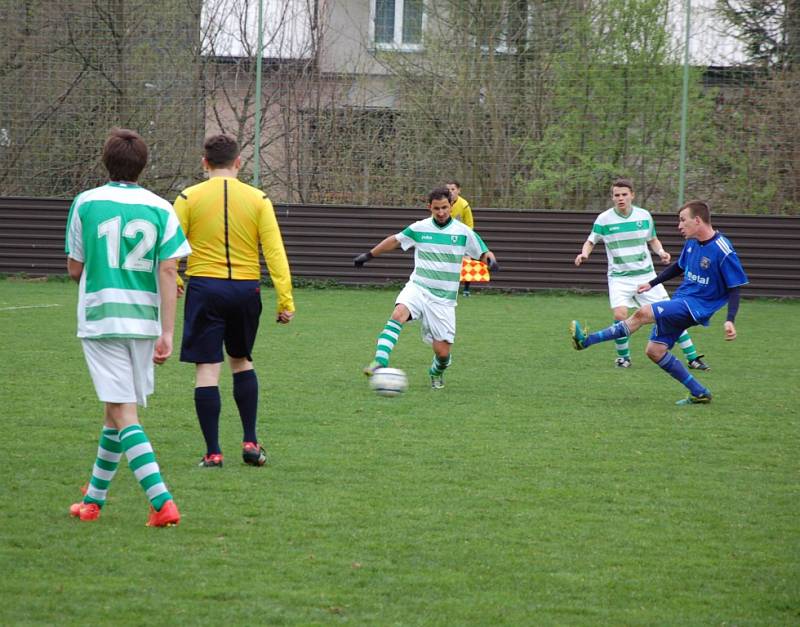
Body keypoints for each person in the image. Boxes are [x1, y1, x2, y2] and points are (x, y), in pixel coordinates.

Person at [65, 127, 191, 525]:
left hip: (102, 318)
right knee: (114, 411)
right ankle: (93, 503)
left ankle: (161, 502)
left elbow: (75, 268)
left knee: (122, 410)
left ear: (105, 161)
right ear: (143, 165)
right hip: (144, 321)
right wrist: (168, 332)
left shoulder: (86, 202)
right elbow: (169, 269)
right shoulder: (161, 208)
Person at [174, 134, 295, 468]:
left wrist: (176, 278)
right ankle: (251, 443)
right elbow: (274, 251)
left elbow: (170, 248)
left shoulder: (187, 197)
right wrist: (285, 299)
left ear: (205, 163)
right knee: (241, 360)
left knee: (207, 369)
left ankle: (213, 452)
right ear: (238, 162)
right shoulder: (259, 199)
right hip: (245, 290)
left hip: (204, 288)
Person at [570, 200, 748, 405]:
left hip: (697, 306)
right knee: (654, 351)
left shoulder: (722, 249)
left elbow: (735, 286)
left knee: (642, 313)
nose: (679, 226)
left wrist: (730, 320)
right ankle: (699, 392)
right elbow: (678, 267)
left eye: (683, 220)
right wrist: (652, 283)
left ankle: (586, 341)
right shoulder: (692, 242)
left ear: (697, 220)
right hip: (683, 298)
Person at [354, 187, 497, 389]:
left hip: (444, 300)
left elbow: (484, 253)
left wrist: (491, 262)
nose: (441, 212)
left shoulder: (463, 232)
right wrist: (368, 255)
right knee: (398, 314)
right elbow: (394, 241)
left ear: (451, 206)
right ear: (429, 207)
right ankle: (380, 361)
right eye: (436, 208)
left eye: (445, 208)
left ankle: (436, 371)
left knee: (442, 353)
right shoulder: (419, 228)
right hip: (419, 287)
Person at [575, 178, 708, 370]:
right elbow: (590, 241)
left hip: (646, 276)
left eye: (624, 194)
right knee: (621, 315)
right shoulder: (604, 219)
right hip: (619, 277)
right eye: (616, 195)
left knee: (671, 315)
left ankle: (693, 357)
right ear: (612, 197)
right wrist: (584, 254)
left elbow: (653, 239)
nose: (620, 198)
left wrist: (661, 252)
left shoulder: (644, 216)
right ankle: (624, 358)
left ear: (632, 195)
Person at [446, 180, 476, 296]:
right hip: (447, 239)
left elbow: (470, 225)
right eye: (448, 189)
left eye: (453, 189)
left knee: (467, 262)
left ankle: (466, 289)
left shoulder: (464, 205)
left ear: (459, 190)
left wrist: (466, 239)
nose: (450, 192)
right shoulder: (442, 203)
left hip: (461, 239)